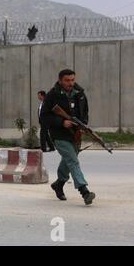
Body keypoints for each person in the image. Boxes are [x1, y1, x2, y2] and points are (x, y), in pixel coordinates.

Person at [40, 69, 96, 206]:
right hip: (59, 134)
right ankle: (84, 191)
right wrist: (61, 122)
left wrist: (83, 126)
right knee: (72, 160)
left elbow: (85, 112)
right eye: (67, 80)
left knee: (69, 160)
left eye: (72, 80)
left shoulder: (80, 94)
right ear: (60, 80)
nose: (70, 83)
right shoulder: (52, 95)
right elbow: (44, 117)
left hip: (75, 134)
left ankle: (59, 184)